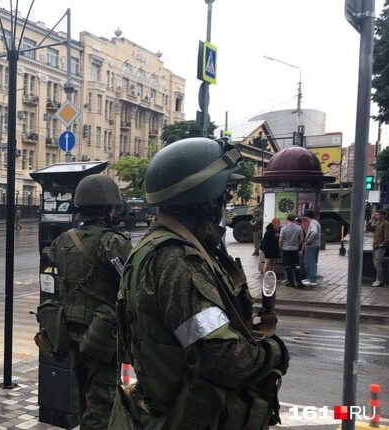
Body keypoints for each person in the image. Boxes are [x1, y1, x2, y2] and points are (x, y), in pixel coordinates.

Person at [110, 138, 289, 429]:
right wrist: (274, 353)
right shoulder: (178, 261)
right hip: (181, 417)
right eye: (223, 194)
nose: (223, 204)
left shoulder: (158, 247)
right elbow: (221, 358)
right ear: (207, 201)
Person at [48, 174, 132, 430]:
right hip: (105, 339)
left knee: (85, 394)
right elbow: (132, 286)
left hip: (72, 334)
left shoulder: (62, 241)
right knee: (105, 401)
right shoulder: (113, 242)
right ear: (108, 209)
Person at [279, 213, 305, 288]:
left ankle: (291, 282)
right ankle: (299, 281)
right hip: (295, 249)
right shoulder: (299, 228)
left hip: (286, 249)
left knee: (288, 266)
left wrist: (280, 247)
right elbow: (302, 238)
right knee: (296, 266)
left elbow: (280, 240)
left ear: (287, 219)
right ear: (294, 219)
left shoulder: (284, 228)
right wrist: (298, 244)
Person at [302, 210, 321, 286]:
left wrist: (308, 241)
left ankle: (312, 280)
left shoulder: (313, 223)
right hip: (314, 245)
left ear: (307, 216)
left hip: (311, 246)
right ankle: (309, 278)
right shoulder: (316, 222)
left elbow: (314, 232)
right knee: (311, 263)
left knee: (310, 263)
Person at [372, 209, 389, 287]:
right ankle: (380, 280)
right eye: (376, 214)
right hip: (375, 246)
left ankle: (378, 280)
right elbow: (369, 228)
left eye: (378, 214)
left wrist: (382, 244)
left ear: (382, 215)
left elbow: (387, 236)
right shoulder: (378, 223)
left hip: (380, 247)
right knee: (376, 264)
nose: (376, 216)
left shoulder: (385, 223)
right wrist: (371, 219)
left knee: (377, 264)